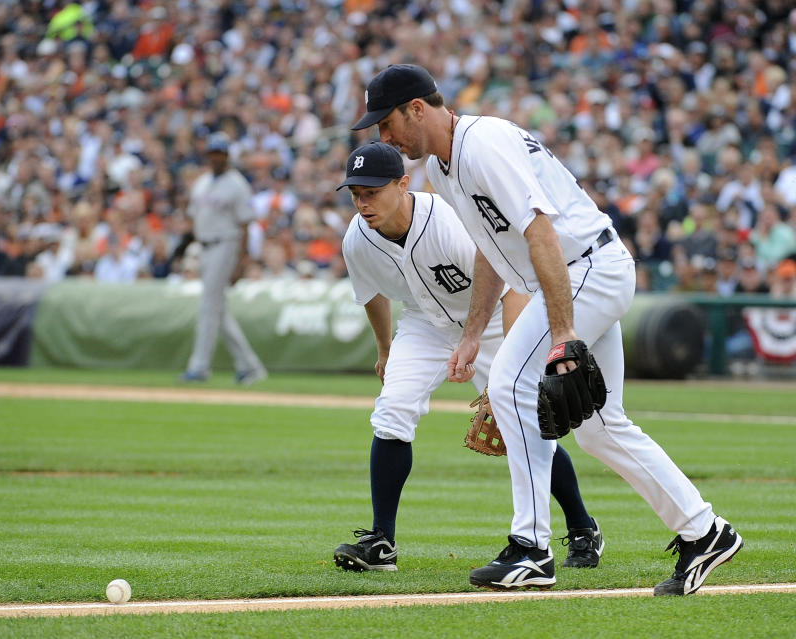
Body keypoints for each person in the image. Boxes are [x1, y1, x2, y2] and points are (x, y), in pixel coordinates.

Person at [352, 64, 741, 595]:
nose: (384, 137)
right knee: (602, 428)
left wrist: (562, 334)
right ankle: (705, 531)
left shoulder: (482, 144)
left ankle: (531, 548)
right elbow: (493, 252)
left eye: (387, 122)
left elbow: (540, 233)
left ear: (417, 108)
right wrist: (471, 334)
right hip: (582, 272)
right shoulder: (443, 169)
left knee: (511, 383)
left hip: (583, 267)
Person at [332, 142, 605, 573]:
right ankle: (382, 541)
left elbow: (514, 278)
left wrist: (513, 361)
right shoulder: (357, 239)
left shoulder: (447, 222)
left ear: (403, 184)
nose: (363, 202)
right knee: (392, 411)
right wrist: (385, 350)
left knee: (524, 422)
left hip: (494, 317)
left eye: (373, 191)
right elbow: (372, 295)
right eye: (356, 193)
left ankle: (583, 526)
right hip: (424, 324)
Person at [180, 133, 267, 385]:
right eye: (212, 153)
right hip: (203, 246)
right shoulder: (203, 182)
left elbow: (245, 226)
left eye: (219, 153)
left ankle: (199, 367)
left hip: (225, 245)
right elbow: (193, 216)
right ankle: (249, 366)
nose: (215, 157)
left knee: (208, 307)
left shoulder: (237, 184)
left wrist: (241, 263)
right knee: (218, 311)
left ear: (227, 155)